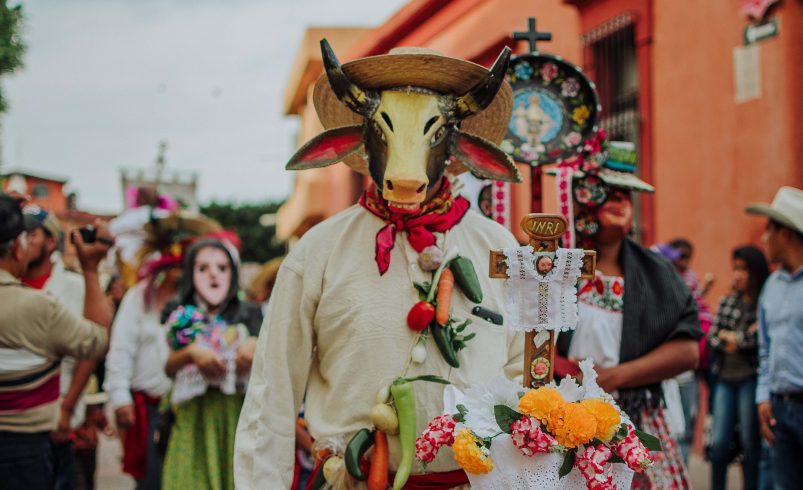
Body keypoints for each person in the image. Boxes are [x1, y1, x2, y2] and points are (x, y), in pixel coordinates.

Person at [235, 43, 523, 489]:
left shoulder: (498, 247)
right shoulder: (318, 251)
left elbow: (522, 374)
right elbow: (271, 392)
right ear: (368, 141)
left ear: (452, 147)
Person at [554, 136, 702, 488]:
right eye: (609, 191)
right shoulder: (554, 265)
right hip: (562, 416)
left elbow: (688, 351)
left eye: (627, 194)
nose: (621, 201)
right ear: (583, 198)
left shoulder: (655, 272)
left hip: (635, 417)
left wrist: (617, 377)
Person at [0, 193, 114, 489]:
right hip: (26, 448)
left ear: (51, 242)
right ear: (16, 248)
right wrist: (91, 268)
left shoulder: (63, 290)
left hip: (55, 428)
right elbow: (97, 341)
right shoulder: (38, 306)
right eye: (24, 236)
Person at [105, 214, 219, 489]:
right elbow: (120, 349)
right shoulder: (139, 297)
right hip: (150, 411)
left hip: (194, 410)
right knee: (151, 482)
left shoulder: (206, 300)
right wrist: (120, 399)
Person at [161, 238, 262, 490]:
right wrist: (191, 353)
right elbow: (168, 367)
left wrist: (253, 346)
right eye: (203, 268)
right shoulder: (178, 313)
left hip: (235, 417)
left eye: (222, 267)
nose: (213, 275)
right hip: (191, 415)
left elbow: (268, 353)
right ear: (190, 272)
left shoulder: (250, 313)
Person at [20, 204, 101, 489]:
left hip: (60, 423)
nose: (23, 240)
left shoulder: (74, 286)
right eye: (18, 233)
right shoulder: (9, 285)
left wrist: (66, 408)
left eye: (31, 234)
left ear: (51, 241)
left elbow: (92, 347)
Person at [746, 186, 803, 490]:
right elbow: (765, 350)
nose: (764, 238)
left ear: (788, 234)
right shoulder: (772, 286)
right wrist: (763, 396)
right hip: (779, 409)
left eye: (769, 229)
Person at [707, 245, 769, 490]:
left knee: (749, 444)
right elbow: (712, 338)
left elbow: (760, 340)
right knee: (719, 443)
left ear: (755, 271)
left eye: (743, 269)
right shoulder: (727, 301)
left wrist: (735, 339)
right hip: (724, 379)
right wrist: (740, 338)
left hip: (750, 381)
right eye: (735, 269)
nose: (737, 275)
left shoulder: (763, 303)